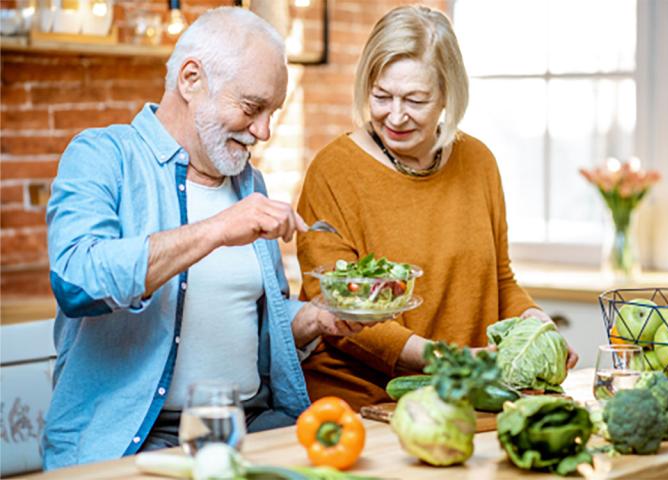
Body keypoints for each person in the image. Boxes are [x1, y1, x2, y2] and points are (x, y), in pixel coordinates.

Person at [42, 7, 362, 470]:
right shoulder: (102, 155)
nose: (264, 132)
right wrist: (216, 230)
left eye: (272, 113)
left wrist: (315, 319)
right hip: (141, 437)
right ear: (191, 79)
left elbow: (245, 325)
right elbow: (76, 280)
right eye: (252, 108)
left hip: (254, 422)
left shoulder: (248, 185)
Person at [296, 5, 579, 410]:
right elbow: (337, 311)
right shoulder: (334, 171)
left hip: (464, 395)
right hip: (363, 403)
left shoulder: (479, 162)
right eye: (381, 96)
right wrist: (445, 360)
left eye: (415, 99)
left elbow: (500, 281)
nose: (395, 115)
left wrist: (537, 326)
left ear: (448, 94)